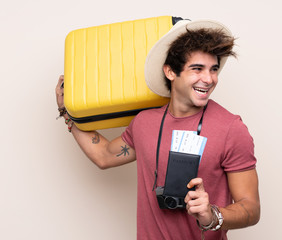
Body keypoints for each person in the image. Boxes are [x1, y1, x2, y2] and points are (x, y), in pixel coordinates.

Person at [56, 19, 260, 240]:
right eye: (197, 69)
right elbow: (104, 156)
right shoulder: (144, 122)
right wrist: (67, 111)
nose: (209, 79)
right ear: (171, 72)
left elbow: (251, 208)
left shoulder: (231, 128)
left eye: (213, 69)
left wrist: (213, 215)